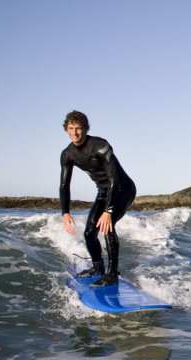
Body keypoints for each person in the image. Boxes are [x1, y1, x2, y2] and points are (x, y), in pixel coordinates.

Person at [59, 110, 136, 286]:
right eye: (71, 128)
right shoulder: (67, 154)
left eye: (78, 128)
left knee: (107, 227)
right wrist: (65, 213)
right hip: (103, 192)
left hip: (123, 189)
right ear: (66, 130)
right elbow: (64, 185)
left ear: (85, 129)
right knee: (89, 233)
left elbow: (114, 180)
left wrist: (108, 211)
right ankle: (98, 267)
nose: (75, 133)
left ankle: (112, 274)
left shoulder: (100, 146)